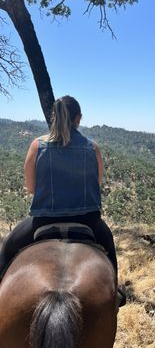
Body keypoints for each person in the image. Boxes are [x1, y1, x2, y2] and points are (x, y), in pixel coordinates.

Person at [0, 95, 124, 304]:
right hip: (88, 221)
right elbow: (97, 182)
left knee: (7, 247)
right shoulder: (92, 148)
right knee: (109, 247)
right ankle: (114, 294)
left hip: (43, 220)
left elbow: (31, 188)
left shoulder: (37, 146)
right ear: (79, 118)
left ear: (54, 117)